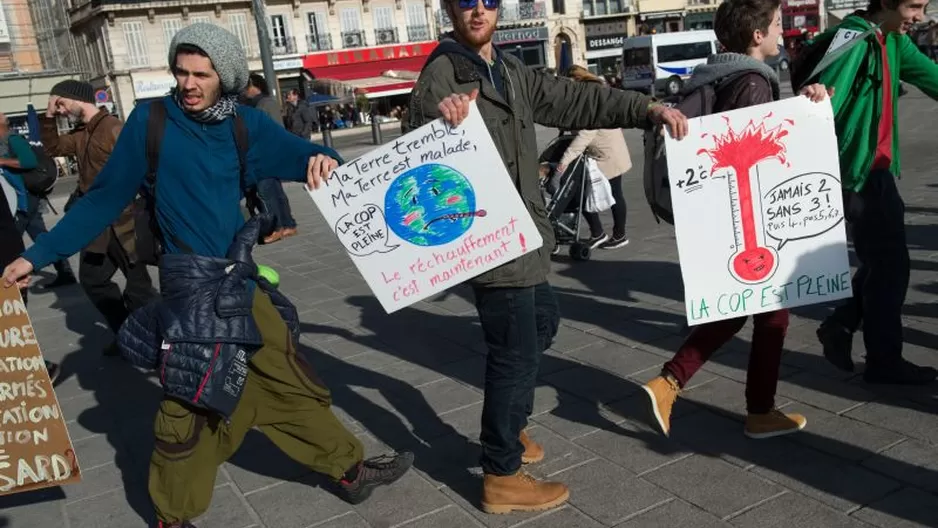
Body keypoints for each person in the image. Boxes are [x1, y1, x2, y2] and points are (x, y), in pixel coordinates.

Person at [2, 24, 412, 528]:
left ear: (227, 77)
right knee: (194, 406)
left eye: (202, 74)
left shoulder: (245, 126)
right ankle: (172, 516)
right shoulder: (151, 121)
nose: (189, 84)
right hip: (192, 288)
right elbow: (104, 198)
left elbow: (303, 153)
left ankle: (348, 470)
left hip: (239, 282)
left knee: (287, 376)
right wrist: (35, 256)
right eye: (181, 72)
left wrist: (323, 160)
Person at [373, 0, 688, 515]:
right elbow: (411, 162)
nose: (478, 10)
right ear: (449, 9)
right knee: (515, 352)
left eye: (489, 0)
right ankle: (501, 473)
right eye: (465, 2)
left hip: (526, 236)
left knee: (543, 320)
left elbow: (575, 101)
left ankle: (512, 426)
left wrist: (645, 109)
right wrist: (438, 124)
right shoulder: (441, 74)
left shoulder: (510, 70)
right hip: (487, 241)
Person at [642, 0, 831, 441]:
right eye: (777, 25)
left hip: (723, 219)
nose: (784, 32)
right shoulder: (752, 81)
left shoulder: (719, 73)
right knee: (769, 317)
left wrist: (806, 102)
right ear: (756, 36)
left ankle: (677, 385)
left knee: (743, 313)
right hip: (750, 220)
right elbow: (759, 150)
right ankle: (748, 408)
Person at [813, 0, 938, 384]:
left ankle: (843, 324)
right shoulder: (852, 38)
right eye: (914, 5)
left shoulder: (894, 41)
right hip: (856, 171)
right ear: (885, 2)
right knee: (891, 264)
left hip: (878, 168)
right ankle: (882, 360)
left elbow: (933, 78)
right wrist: (817, 95)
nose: (919, 16)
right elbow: (821, 100)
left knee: (882, 262)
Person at [42, 80, 157, 356]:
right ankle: (127, 332)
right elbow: (53, 148)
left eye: (61, 104)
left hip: (124, 222)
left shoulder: (114, 128)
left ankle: (157, 338)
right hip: (96, 225)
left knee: (139, 287)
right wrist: (47, 116)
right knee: (93, 281)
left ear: (75, 99)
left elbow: (144, 169)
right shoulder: (82, 133)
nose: (60, 111)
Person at [0, 136, 60, 383]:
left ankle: (33, 370)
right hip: (9, 250)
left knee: (10, 325)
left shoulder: (13, 139)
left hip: (7, 257)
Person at [556, 65, 633, 250]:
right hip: (609, 149)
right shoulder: (596, 92)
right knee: (611, 194)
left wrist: (563, 162)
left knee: (586, 194)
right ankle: (604, 233)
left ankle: (614, 234)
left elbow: (584, 135)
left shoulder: (588, 98)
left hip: (607, 154)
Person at [0, 113, 76, 288]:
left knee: (9, 240)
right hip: (20, 199)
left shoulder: (13, 139)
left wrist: (2, 161)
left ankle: (11, 280)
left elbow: (29, 161)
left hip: (24, 199)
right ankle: (65, 271)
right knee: (40, 236)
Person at [241, 73, 298, 243]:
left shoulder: (264, 103)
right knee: (276, 191)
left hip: (264, 154)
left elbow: (274, 129)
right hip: (265, 153)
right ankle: (288, 224)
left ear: (253, 87)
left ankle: (276, 227)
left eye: (245, 88)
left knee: (265, 192)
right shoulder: (260, 103)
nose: (243, 92)